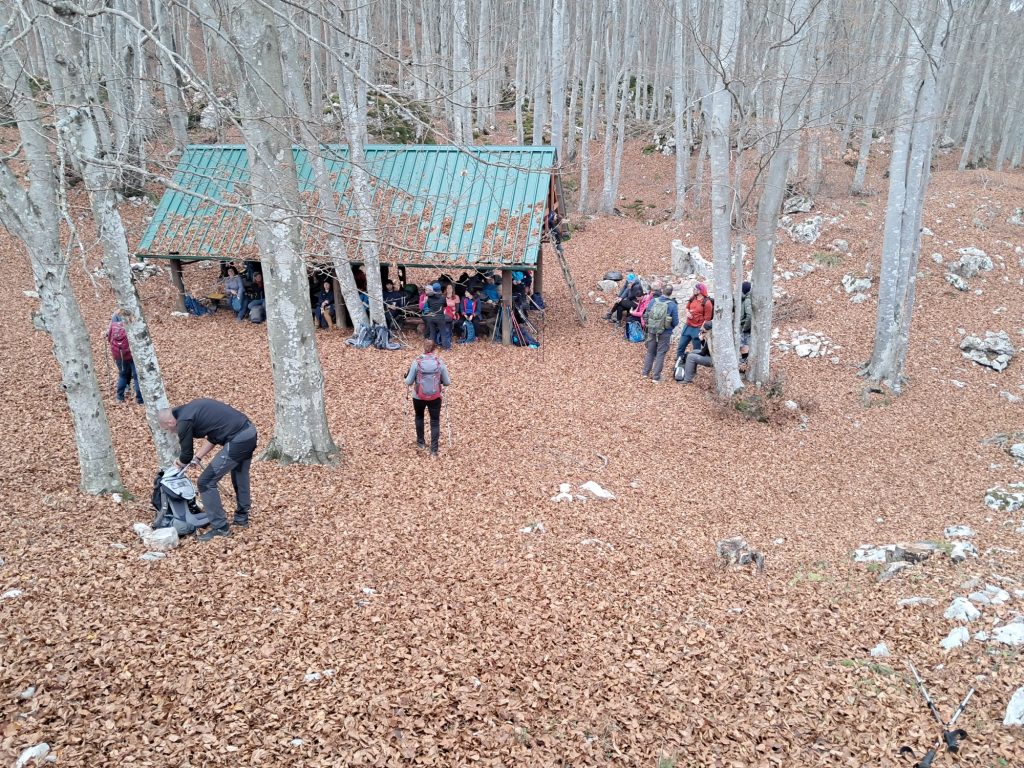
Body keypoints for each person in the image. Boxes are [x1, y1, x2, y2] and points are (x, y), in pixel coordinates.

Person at [158, 399, 258, 540]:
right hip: (249, 432)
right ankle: (242, 518)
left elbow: (186, 456)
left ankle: (220, 527)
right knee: (239, 474)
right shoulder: (190, 410)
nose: (170, 431)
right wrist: (198, 457)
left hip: (239, 439)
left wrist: (178, 464)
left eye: (167, 429)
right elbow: (213, 436)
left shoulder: (183, 421)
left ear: (170, 422)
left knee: (205, 482)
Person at [403, 340, 451, 457]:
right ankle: (434, 450)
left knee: (419, 416)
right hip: (435, 397)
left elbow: (408, 382)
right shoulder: (439, 362)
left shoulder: (417, 362)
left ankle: (421, 443)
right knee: (435, 421)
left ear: (423, 348)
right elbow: (447, 382)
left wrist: (406, 376)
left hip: (418, 396)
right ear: (434, 349)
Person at [641, 283, 679, 383]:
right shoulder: (673, 305)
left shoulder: (653, 301)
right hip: (665, 332)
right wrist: (669, 328)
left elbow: (646, 315)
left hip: (652, 330)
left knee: (650, 352)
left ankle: (645, 373)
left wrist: (650, 325)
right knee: (660, 353)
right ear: (671, 293)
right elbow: (675, 322)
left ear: (662, 290)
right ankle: (656, 377)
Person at [107, 313, 142, 404]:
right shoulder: (131, 314)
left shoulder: (114, 316)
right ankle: (140, 400)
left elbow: (109, 337)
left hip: (119, 353)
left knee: (122, 375)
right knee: (136, 376)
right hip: (131, 352)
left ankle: (119, 397)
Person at [675, 282, 713, 361]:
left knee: (696, 350)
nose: (693, 290)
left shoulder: (707, 302)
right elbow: (687, 307)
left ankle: (692, 366)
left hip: (698, 328)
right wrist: (687, 313)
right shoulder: (693, 298)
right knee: (680, 347)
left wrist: (701, 331)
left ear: (700, 291)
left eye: (695, 289)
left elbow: (707, 319)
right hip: (688, 326)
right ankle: (678, 363)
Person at [422, 283, 446, 347]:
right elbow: (445, 305)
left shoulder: (429, 298)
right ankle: (446, 348)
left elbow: (429, 306)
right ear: (440, 289)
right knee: (443, 333)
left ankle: (431, 347)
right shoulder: (443, 297)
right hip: (440, 317)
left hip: (431, 317)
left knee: (432, 332)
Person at [739, 281, 752, 364]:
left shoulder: (747, 300)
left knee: (744, 345)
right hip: (745, 326)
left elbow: (749, 316)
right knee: (744, 345)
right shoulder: (745, 299)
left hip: (745, 327)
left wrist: (745, 328)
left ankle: (745, 362)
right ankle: (745, 361)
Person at [442, 283, 459, 349]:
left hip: (453, 313)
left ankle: (447, 342)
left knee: (447, 325)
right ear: (446, 289)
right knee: (447, 325)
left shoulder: (456, 297)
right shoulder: (443, 296)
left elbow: (457, 308)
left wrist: (454, 312)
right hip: (445, 313)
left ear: (452, 289)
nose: (449, 289)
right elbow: (441, 307)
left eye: (450, 288)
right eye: (448, 288)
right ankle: (447, 342)